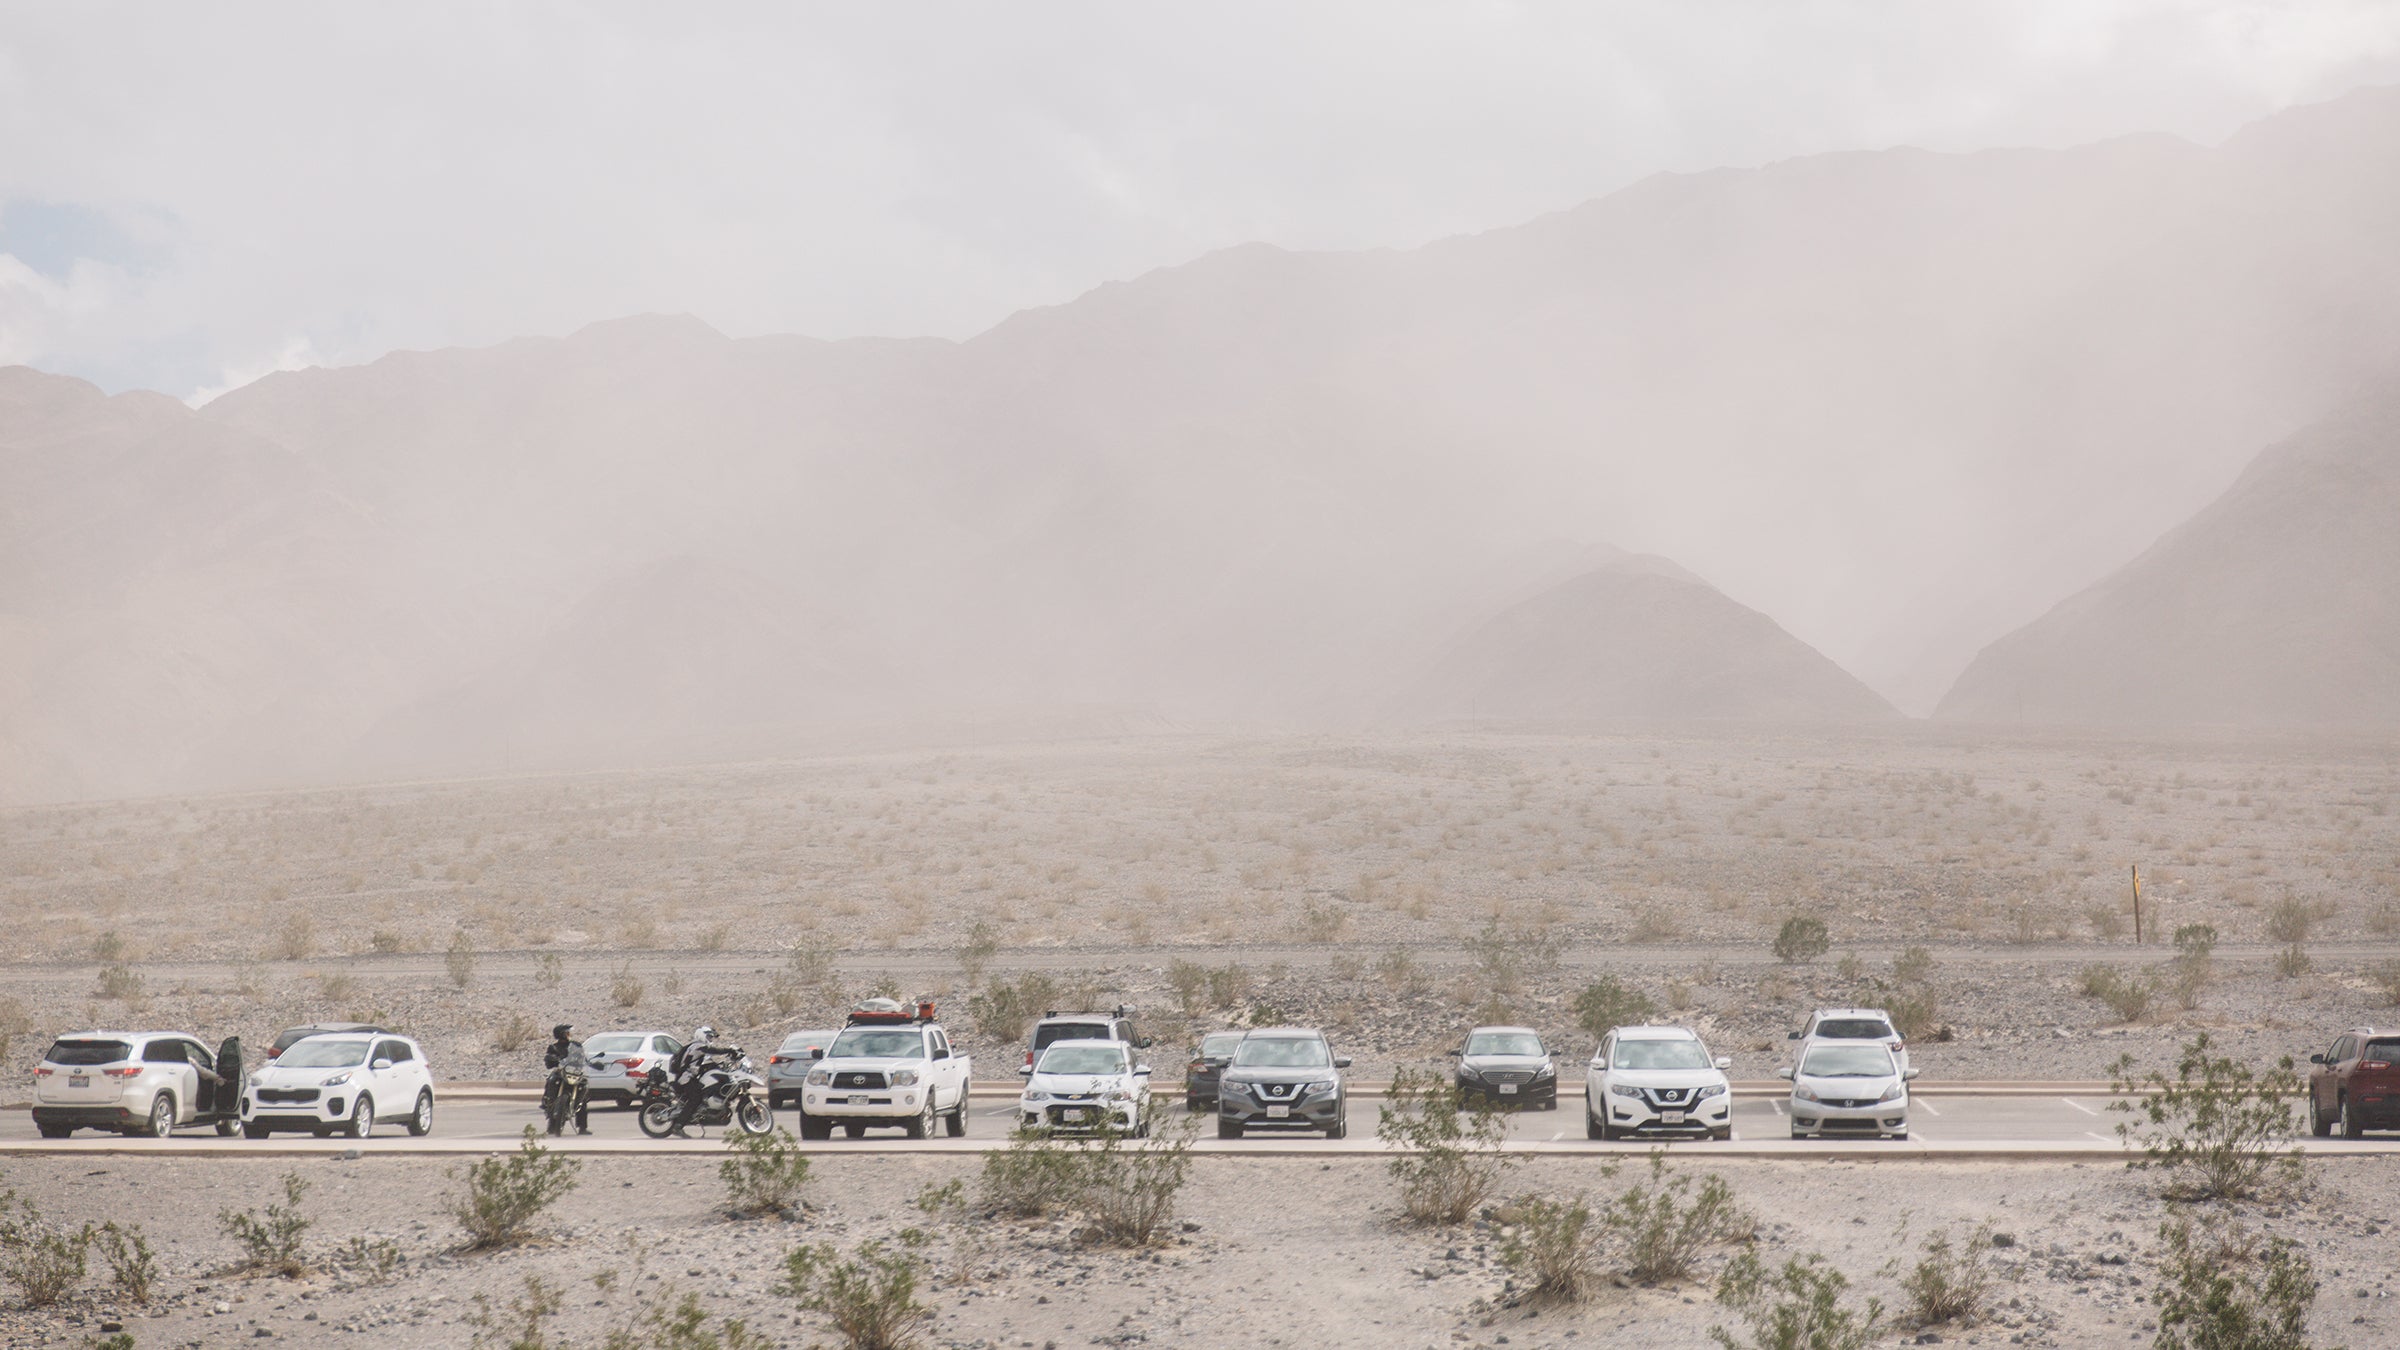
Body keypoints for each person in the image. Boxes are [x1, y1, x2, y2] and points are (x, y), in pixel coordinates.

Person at [665, 1025, 722, 1137]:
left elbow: (705, 1063)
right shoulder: (698, 1046)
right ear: (702, 1035)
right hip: (685, 1078)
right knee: (696, 1098)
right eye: (709, 1037)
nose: (710, 1040)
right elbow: (714, 1050)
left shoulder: (695, 1047)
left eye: (711, 1037)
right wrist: (730, 1050)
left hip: (689, 1077)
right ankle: (678, 1126)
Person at [542, 1023, 590, 1135]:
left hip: (574, 1072)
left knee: (583, 1089)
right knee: (551, 1080)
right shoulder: (553, 1047)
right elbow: (549, 1061)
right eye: (567, 1032)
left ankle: (583, 1127)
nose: (570, 1034)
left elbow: (583, 1058)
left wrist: (590, 1062)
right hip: (561, 1072)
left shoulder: (577, 1046)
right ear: (562, 1034)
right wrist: (551, 1059)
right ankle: (547, 1103)